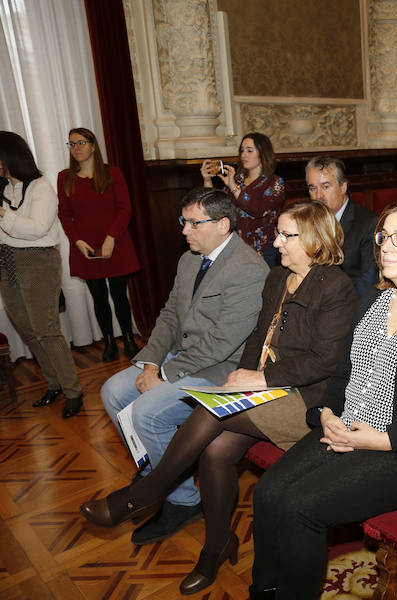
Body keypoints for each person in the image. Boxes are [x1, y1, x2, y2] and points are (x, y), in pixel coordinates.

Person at [80, 200, 356, 595]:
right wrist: (237, 378)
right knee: (214, 451)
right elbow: (256, 339)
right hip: (265, 388)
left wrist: (260, 378)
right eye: (278, 233)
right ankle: (216, 545)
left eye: (286, 235)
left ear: (315, 239)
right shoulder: (279, 277)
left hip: (305, 397)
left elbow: (324, 362)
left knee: (209, 413)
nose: (275, 241)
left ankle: (146, 492)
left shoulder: (336, 286)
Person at [249, 199, 397, 599]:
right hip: (347, 427)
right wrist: (325, 414)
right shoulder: (373, 302)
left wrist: (376, 439)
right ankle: (266, 590)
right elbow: (343, 374)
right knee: (268, 492)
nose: (385, 247)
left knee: (300, 508)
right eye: (382, 237)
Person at [98, 188, 268, 546]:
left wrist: (165, 375)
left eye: (193, 223)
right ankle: (157, 472)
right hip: (180, 357)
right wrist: (150, 363)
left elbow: (223, 342)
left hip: (220, 370)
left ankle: (182, 499)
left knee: (147, 412)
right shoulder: (190, 258)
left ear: (223, 225)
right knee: (112, 391)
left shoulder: (249, 269)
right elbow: (170, 317)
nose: (184, 230)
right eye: (183, 221)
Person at [0, 131, 83, 419]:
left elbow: (37, 228)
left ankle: (73, 392)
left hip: (38, 261)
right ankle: (54, 383)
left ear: (9, 157)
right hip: (6, 259)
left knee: (46, 330)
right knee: (27, 329)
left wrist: (2, 214)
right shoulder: (6, 188)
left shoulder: (41, 187)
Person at [58, 127, 141, 362]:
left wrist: (111, 238)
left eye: (82, 142)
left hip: (115, 242)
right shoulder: (65, 177)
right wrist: (77, 241)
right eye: (72, 144)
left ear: (93, 146)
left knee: (119, 294)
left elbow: (125, 208)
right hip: (85, 247)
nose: (77, 148)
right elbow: (64, 214)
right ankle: (108, 342)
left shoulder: (112, 173)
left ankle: (128, 338)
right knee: (98, 296)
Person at [201, 132, 285, 267]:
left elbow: (258, 210)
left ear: (262, 153)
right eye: (242, 150)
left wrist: (233, 188)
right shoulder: (237, 179)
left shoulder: (274, 181)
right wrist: (207, 180)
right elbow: (215, 207)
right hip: (235, 246)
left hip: (263, 249)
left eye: (250, 150)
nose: (244, 155)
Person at [305, 155, 378, 292]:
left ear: (343, 186)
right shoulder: (306, 221)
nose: (318, 196)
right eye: (313, 188)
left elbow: (368, 281)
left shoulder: (368, 223)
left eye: (325, 186)